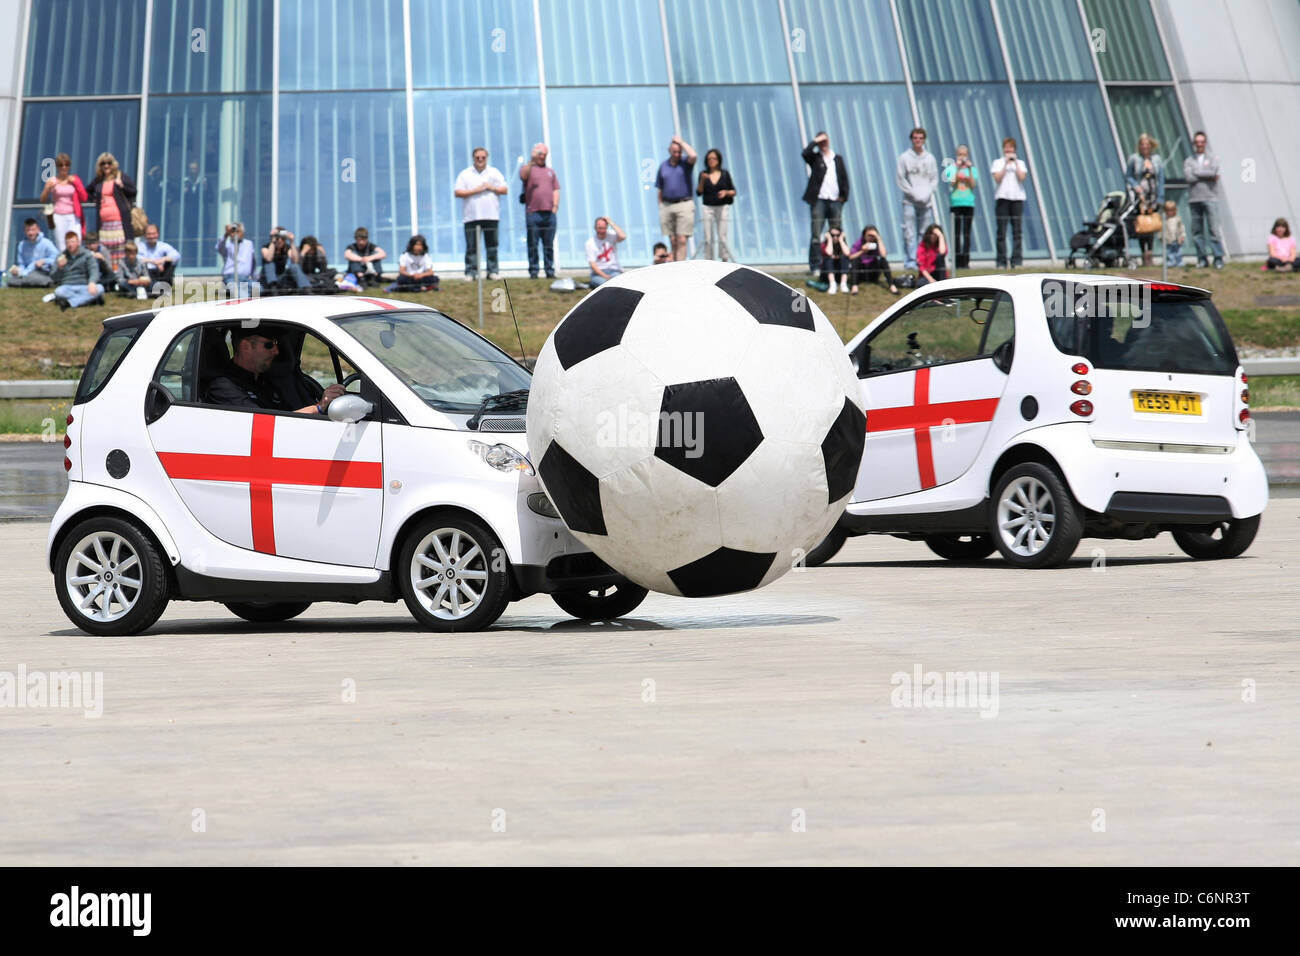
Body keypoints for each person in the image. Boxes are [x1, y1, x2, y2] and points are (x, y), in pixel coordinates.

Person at [205, 326, 345, 415]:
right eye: (269, 345)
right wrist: (319, 408)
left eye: (277, 344)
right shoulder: (223, 387)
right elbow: (263, 425)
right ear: (246, 346)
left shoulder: (268, 380)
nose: (276, 351)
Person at [454, 146, 508, 280]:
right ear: (473, 158)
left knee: (492, 246)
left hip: (491, 216)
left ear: (486, 158)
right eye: (477, 157)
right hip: (471, 217)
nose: (480, 160)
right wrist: (475, 191)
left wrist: (491, 187)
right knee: (471, 247)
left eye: (483, 157)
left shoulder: (494, 172)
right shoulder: (465, 174)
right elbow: (458, 192)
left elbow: (504, 189)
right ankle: (471, 272)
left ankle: (492, 271)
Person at [801, 131, 850, 273]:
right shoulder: (816, 158)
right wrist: (815, 141)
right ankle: (815, 265)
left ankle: (838, 264)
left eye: (825, 141)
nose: (823, 144)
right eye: (821, 142)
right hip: (819, 201)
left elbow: (844, 179)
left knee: (836, 234)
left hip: (835, 201)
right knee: (816, 235)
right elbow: (805, 153)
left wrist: (843, 198)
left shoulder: (837, 159)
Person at [85, 152, 137, 275]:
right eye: (103, 163)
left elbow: (133, 191)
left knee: (119, 249)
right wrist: (95, 200)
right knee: (106, 249)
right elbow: (87, 192)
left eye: (109, 163)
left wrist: (122, 186)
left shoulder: (120, 176)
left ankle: (121, 276)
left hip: (119, 220)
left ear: (113, 164)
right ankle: (110, 276)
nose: (106, 166)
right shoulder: (98, 181)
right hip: (104, 223)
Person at [896, 127, 937, 271]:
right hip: (910, 201)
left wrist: (926, 195)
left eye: (920, 138)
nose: (918, 140)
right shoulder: (904, 157)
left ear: (924, 139)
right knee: (909, 232)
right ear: (912, 139)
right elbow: (901, 179)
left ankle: (922, 259)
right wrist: (913, 193)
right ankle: (911, 260)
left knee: (924, 232)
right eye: (915, 138)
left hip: (926, 202)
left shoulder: (930, 158)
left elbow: (934, 180)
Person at [1183, 131, 1225, 269]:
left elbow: (1214, 172)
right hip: (1194, 199)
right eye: (1197, 142)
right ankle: (1202, 259)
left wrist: (1197, 172)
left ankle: (1218, 258)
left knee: (1214, 229)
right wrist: (1205, 174)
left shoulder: (1213, 158)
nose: (1199, 144)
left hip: (1210, 198)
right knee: (1197, 231)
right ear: (1194, 144)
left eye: (1202, 141)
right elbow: (1189, 178)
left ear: (1205, 143)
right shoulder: (1189, 160)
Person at [519, 143, 560, 279]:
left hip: (549, 213)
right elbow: (523, 175)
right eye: (540, 154)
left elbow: (556, 189)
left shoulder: (550, 172)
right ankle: (534, 271)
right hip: (533, 212)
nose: (542, 157)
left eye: (544, 154)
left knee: (548, 244)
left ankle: (549, 270)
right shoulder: (529, 169)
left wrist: (555, 207)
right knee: (533, 244)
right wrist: (532, 160)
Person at [1125, 133, 1165, 267]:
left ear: (1151, 146)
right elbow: (1129, 176)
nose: (1145, 147)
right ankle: (1144, 252)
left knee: (1152, 223)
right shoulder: (1134, 159)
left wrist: (1160, 197)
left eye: (1147, 144)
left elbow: (1160, 179)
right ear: (1139, 146)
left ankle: (1150, 252)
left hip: (1153, 195)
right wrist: (1136, 188)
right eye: (1142, 144)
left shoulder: (1157, 160)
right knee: (1142, 224)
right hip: (1140, 196)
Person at [656, 135, 697, 261]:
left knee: (681, 238)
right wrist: (661, 206)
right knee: (673, 239)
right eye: (674, 151)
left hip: (683, 204)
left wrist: (681, 142)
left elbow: (693, 156)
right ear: (670, 150)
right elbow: (660, 188)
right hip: (667, 205)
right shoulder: (663, 166)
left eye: (679, 151)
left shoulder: (686, 164)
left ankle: (681, 266)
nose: (677, 154)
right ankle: (675, 264)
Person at [991, 137, 1029, 269]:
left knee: (1017, 231)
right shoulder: (998, 162)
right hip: (1002, 199)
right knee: (1001, 231)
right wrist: (1006, 164)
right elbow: (997, 178)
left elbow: (1022, 177)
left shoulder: (1021, 163)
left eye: (1011, 147)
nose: (1009, 150)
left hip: (1017, 199)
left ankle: (1016, 260)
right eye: (1006, 147)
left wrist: (1015, 164)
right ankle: (1001, 261)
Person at [38, 153, 87, 252]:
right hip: (58, 216)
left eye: (66, 165)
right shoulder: (52, 180)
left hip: (73, 216)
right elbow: (42, 199)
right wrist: (47, 189)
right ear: (57, 167)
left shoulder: (74, 179)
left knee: (76, 242)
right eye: (61, 165)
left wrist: (75, 183)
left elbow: (84, 197)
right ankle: (64, 265)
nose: (64, 167)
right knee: (61, 244)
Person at [696, 148, 736, 262]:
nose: (711, 161)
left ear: (718, 160)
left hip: (722, 207)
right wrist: (702, 180)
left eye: (714, 158)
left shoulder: (725, 174)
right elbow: (699, 192)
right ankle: (709, 259)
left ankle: (724, 259)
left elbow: (733, 191)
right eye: (709, 159)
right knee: (708, 237)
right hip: (708, 206)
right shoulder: (703, 174)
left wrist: (725, 192)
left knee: (722, 235)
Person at [942, 144, 977, 270]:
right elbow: (952, 182)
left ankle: (965, 261)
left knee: (966, 233)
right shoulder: (952, 167)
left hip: (968, 203)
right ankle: (957, 261)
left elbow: (973, 184)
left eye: (964, 154)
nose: (962, 157)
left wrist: (969, 168)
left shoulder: (972, 168)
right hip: (956, 203)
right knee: (956, 234)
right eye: (960, 154)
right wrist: (956, 167)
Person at [48, 231, 102, 310]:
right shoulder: (61, 256)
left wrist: (92, 282)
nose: (70, 245)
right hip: (67, 286)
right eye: (67, 242)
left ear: (78, 242)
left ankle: (70, 302)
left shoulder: (86, 254)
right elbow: (53, 277)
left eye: (72, 242)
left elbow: (94, 269)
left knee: (100, 288)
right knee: (58, 292)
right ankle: (90, 300)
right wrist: (60, 268)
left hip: (85, 285)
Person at [6, 219, 59, 287]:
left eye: (33, 230)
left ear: (38, 230)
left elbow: (57, 258)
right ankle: (30, 282)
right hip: (27, 273)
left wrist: (44, 261)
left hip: (43, 272)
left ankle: (45, 282)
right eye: (28, 230)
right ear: (25, 231)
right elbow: (22, 264)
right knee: (10, 280)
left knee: (33, 277)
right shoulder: (22, 245)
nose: (31, 233)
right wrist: (18, 271)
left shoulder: (46, 243)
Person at [848, 225, 898, 295]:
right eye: (869, 235)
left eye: (873, 235)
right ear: (864, 235)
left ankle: (892, 286)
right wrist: (862, 251)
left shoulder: (878, 243)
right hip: (861, 272)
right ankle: (854, 286)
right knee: (855, 261)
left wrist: (879, 239)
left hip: (873, 272)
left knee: (883, 261)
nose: (871, 238)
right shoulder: (859, 243)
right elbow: (850, 257)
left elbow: (883, 255)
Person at [216, 222, 259, 295]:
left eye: (238, 231)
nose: (235, 234)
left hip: (246, 278)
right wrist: (226, 234)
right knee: (242, 294)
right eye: (233, 231)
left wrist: (255, 277)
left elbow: (253, 262)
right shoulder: (227, 244)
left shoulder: (249, 244)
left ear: (243, 232)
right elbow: (219, 247)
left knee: (260, 289)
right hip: (231, 277)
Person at [585, 217, 626, 286]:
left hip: (614, 270)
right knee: (605, 285)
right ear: (595, 228)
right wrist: (605, 276)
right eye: (600, 228)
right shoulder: (590, 243)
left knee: (620, 284)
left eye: (604, 228)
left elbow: (623, 236)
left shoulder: (611, 235)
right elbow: (593, 265)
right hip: (599, 273)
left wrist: (611, 222)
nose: (602, 230)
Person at [138, 223, 180, 290]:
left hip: (160, 272)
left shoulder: (163, 246)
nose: (151, 236)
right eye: (149, 234)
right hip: (146, 273)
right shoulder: (140, 246)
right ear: (145, 235)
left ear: (158, 234)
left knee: (170, 263)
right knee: (141, 264)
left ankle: (165, 286)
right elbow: (136, 258)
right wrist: (153, 262)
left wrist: (163, 260)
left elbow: (176, 255)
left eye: (154, 233)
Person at [819, 227, 851, 294]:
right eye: (832, 235)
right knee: (828, 258)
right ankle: (832, 284)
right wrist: (830, 240)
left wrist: (841, 240)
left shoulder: (842, 244)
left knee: (844, 257)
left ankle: (843, 284)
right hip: (826, 275)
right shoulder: (824, 244)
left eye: (838, 235)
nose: (835, 237)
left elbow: (847, 253)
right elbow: (829, 253)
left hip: (839, 273)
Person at [1162, 201, 1185, 268]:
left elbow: (1181, 228)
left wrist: (1182, 236)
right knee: (1169, 252)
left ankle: (1179, 262)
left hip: (1177, 239)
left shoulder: (1177, 219)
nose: (1169, 212)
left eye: (1171, 210)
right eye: (1168, 210)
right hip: (1168, 240)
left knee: (1178, 251)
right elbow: (1162, 231)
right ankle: (1171, 262)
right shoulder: (1164, 219)